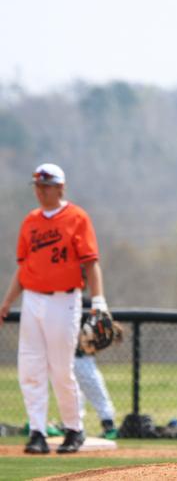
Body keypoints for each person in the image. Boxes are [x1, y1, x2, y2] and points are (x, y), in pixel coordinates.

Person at [0, 163, 110, 454]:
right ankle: (36, 431)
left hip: (65, 299)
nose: (40, 190)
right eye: (37, 185)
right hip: (32, 299)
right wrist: (7, 302)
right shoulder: (30, 221)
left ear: (61, 187)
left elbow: (91, 263)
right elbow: (23, 268)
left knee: (61, 368)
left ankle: (74, 429)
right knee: (30, 368)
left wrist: (98, 301)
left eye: (46, 185)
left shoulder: (76, 217)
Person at [74, 297, 118, 440]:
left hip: (82, 358)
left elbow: (100, 322)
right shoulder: (68, 303)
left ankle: (107, 425)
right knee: (79, 392)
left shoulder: (86, 303)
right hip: (74, 358)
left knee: (92, 389)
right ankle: (74, 427)